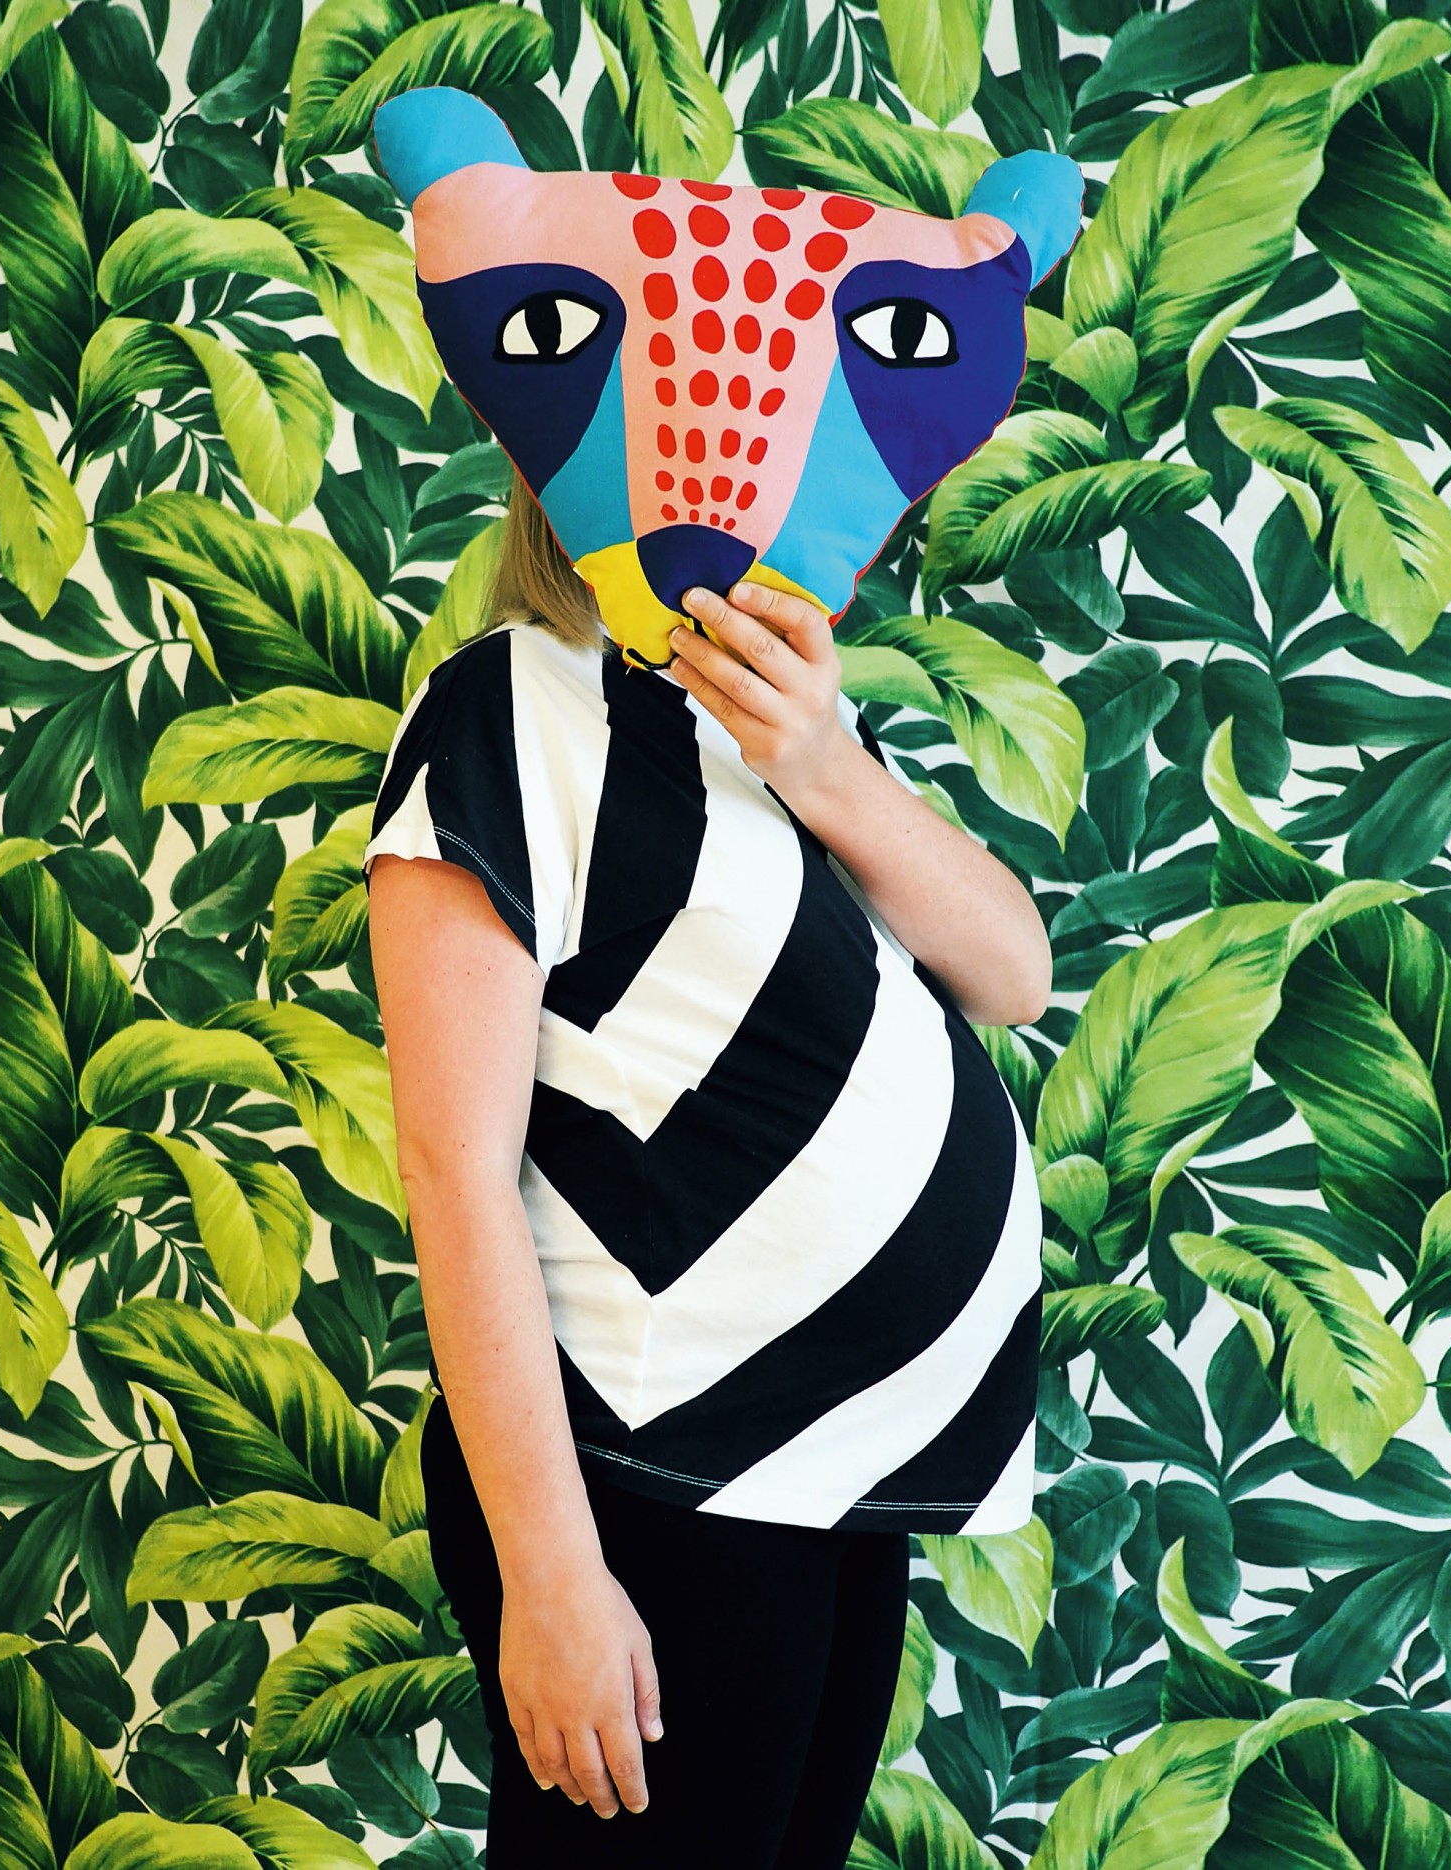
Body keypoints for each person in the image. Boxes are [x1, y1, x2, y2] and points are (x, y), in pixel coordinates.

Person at [361, 473, 1050, 1868]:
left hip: (831, 1473)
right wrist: (553, 1574)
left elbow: (1012, 971)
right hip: (651, 1475)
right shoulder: (507, 705)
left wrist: (824, 762)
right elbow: (454, 1171)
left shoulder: (783, 721)